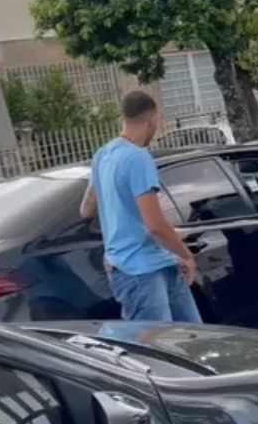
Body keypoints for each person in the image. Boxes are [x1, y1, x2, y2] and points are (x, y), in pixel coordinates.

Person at [81, 90, 202, 323]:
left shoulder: (102, 156)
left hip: (144, 264)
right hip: (142, 274)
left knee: (189, 338)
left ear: (123, 118)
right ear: (153, 120)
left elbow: (86, 210)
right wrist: (186, 255)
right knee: (168, 340)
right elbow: (155, 225)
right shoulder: (138, 158)